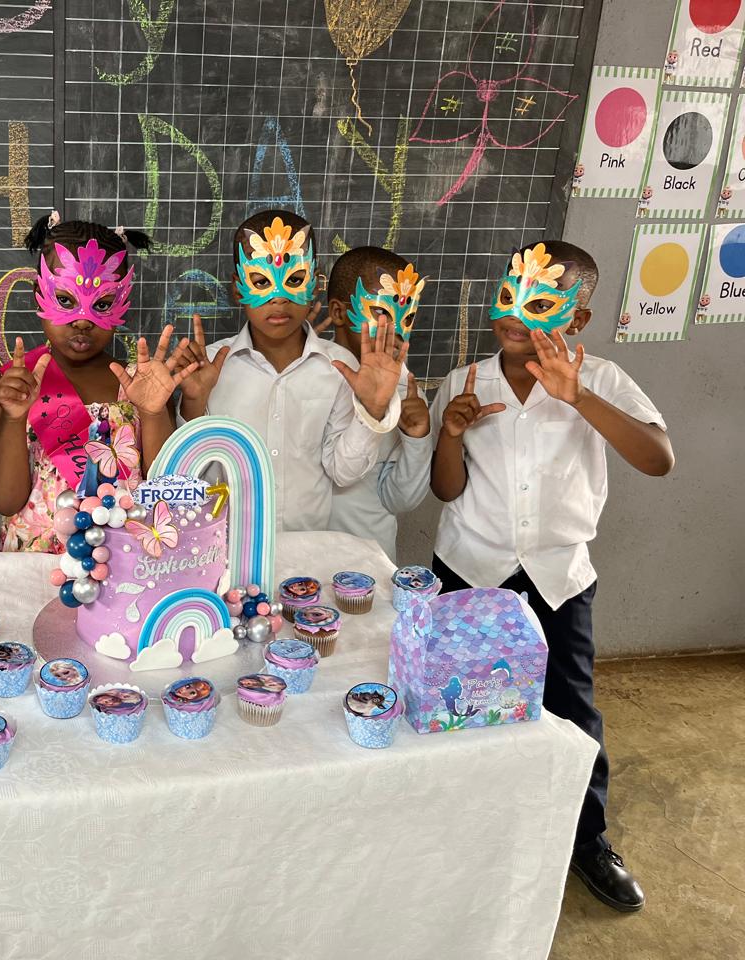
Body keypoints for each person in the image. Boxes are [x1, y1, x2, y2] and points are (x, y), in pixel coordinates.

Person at [429, 240, 674, 913]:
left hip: (558, 578)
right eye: (509, 295)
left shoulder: (605, 379)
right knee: (460, 705)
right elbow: (446, 491)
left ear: (579, 318)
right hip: (471, 572)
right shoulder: (465, 382)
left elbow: (657, 459)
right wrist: (450, 434)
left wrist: (578, 395)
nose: (516, 315)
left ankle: (586, 840)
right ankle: (465, 829)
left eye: (540, 303)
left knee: (571, 709)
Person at [172, 209, 407, 531]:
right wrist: (193, 404)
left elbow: (343, 472)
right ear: (238, 287)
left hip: (306, 553)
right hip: (223, 551)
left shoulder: (339, 368)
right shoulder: (209, 367)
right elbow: (185, 479)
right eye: (261, 282)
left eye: (294, 280)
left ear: (315, 282)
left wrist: (373, 409)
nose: (279, 299)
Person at [0, 212, 198, 552]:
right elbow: (5, 500)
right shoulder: (15, 388)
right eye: (65, 300)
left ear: (121, 302)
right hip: (34, 566)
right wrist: (13, 417)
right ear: (39, 292)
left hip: (124, 562)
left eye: (101, 304)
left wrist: (155, 413)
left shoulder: (139, 387)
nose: (83, 321)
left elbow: (165, 489)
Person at [325, 246, 433, 561]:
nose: (396, 327)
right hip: (294, 559)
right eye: (382, 313)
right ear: (338, 311)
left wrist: (417, 440)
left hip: (368, 564)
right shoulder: (306, 377)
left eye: (407, 315)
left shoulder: (407, 392)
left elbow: (400, 500)